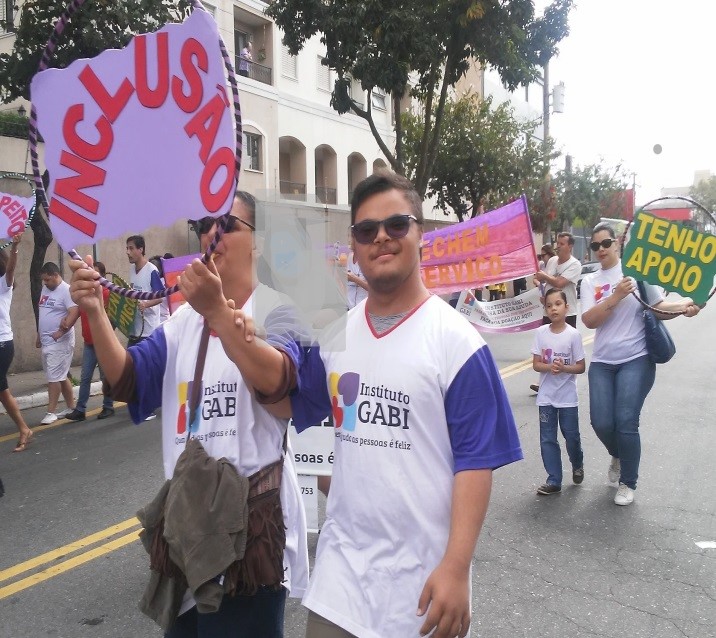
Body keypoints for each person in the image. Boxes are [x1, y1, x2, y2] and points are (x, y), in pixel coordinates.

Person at [289, 172, 523, 638]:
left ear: (421, 236)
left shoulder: (458, 344)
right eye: (366, 230)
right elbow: (288, 404)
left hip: (422, 590)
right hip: (340, 581)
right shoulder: (334, 335)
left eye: (396, 224)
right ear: (354, 247)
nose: (381, 237)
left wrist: (456, 567)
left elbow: (475, 464)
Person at [70, 191, 308, 637]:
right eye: (204, 225)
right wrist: (96, 313)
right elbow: (128, 381)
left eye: (227, 225)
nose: (211, 234)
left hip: (249, 538)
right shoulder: (182, 323)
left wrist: (218, 312)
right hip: (189, 532)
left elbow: (278, 381)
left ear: (259, 241)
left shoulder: (279, 309)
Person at [581, 222, 700, 506]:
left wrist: (684, 307)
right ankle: (618, 454)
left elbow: (659, 308)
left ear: (617, 243)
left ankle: (628, 482)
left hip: (636, 359)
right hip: (602, 361)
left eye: (606, 243)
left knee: (626, 420)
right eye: (595, 245)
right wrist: (616, 296)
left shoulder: (639, 273)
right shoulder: (589, 281)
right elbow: (589, 320)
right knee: (601, 422)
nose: (601, 249)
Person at [531, 288, 585, 495]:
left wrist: (564, 368)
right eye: (549, 305)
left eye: (558, 304)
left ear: (566, 307)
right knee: (547, 438)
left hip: (567, 398)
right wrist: (549, 367)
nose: (553, 308)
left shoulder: (573, 335)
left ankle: (577, 464)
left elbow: (580, 367)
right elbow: (536, 364)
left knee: (571, 436)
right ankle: (554, 479)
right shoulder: (540, 333)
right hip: (546, 397)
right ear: (545, 309)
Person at [65, 261, 115, 422]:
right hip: (88, 343)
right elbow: (77, 312)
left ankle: (108, 406)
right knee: (85, 377)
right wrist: (64, 325)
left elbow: (114, 316)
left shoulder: (107, 293)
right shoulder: (84, 294)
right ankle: (80, 409)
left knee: (105, 377)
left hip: (102, 344)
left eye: (95, 273)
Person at [530, 235, 580, 394]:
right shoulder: (552, 261)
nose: (558, 246)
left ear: (570, 246)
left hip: (567, 313)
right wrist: (540, 287)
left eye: (562, 244)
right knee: (547, 347)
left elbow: (559, 283)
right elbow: (543, 281)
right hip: (549, 311)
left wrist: (544, 276)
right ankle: (543, 381)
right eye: (557, 243)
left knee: (566, 349)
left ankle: (568, 381)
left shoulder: (574, 264)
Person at [0, 234, 34, 451]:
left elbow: (11, 269)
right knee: (2, 391)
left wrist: (14, 247)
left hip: (2, 344)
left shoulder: (4, 284)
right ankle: (23, 428)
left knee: (2, 389)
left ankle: (24, 428)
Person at [36, 262, 80, 425]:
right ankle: (71, 407)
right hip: (47, 341)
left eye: (47, 279)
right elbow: (43, 312)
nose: (45, 283)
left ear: (56, 275)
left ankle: (51, 412)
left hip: (60, 342)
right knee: (60, 376)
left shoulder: (66, 291)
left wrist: (61, 332)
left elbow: (74, 312)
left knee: (54, 377)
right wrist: (39, 335)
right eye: (44, 280)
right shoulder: (46, 289)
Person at [126, 235, 163, 346]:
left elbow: (160, 297)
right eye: (127, 248)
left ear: (140, 249)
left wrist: (145, 304)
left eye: (131, 248)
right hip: (134, 330)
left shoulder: (152, 270)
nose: (127, 252)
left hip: (148, 332)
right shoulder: (132, 269)